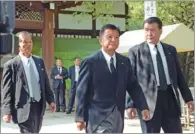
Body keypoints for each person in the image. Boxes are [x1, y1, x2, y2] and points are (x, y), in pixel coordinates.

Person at [75, 24, 150, 133]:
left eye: (116, 37)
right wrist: (80, 118)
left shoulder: (124, 62)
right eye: (109, 37)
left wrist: (143, 107)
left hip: (118, 117)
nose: (113, 40)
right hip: (97, 118)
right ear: (101, 40)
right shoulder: (90, 62)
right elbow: (81, 91)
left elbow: (133, 86)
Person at [126, 17, 194, 133]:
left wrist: (188, 98)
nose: (149, 33)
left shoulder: (170, 50)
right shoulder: (136, 51)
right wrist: (130, 104)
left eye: (152, 30)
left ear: (160, 31)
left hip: (170, 99)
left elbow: (178, 75)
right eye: (146, 30)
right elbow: (131, 80)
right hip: (148, 103)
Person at [1, 31, 56, 133]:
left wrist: (51, 100)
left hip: (38, 106)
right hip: (23, 107)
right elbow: (6, 91)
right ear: (18, 44)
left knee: (35, 131)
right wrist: (6, 111)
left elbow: (44, 83)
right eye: (24, 42)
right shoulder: (11, 65)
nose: (28, 45)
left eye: (30, 42)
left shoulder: (39, 61)